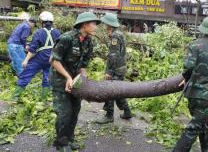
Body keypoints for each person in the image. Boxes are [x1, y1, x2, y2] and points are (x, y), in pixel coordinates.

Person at [172, 16, 208, 152]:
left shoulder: (194, 45)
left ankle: (206, 148)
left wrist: (186, 77)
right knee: (196, 126)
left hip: (193, 93)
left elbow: (188, 66)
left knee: (202, 122)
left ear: (202, 29)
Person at [50, 12, 100, 151]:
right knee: (64, 112)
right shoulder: (67, 38)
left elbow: (83, 66)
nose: (95, 26)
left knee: (74, 111)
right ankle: (61, 143)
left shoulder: (89, 41)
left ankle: (70, 139)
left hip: (75, 82)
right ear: (85, 24)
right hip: (61, 80)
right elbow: (55, 62)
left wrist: (84, 81)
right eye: (94, 23)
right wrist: (68, 77)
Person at [11, 11, 60, 101]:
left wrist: (26, 60)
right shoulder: (57, 32)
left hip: (39, 59)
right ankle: (43, 100)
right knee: (47, 78)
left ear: (42, 22)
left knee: (26, 75)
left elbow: (33, 49)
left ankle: (15, 98)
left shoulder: (39, 32)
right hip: (51, 59)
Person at [96, 13, 132, 124]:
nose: (104, 25)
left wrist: (109, 72)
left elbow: (113, 55)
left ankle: (109, 115)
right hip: (121, 68)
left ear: (109, 24)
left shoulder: (115, 36)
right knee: (117, 91)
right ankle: (127, 112)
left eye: (105, 23)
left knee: (110, 91)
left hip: (116, 69)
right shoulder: (117, 34)